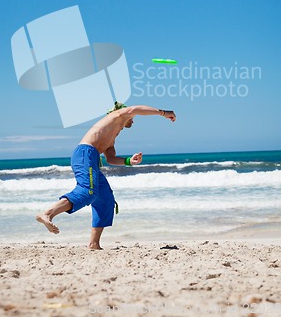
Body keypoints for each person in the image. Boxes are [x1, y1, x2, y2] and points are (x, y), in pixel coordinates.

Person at [36, 103, 176, 249]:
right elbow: (134, 109)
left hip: (92, 159)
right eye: (132, 118)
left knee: (105, 200)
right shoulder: (116, 116)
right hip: (85, 154)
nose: (133, 120)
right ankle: (47, 214)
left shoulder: (112, 135)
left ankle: (94, 244)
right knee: (87, 191)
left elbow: (111, 158)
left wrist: (129, 161)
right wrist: (163, 113)